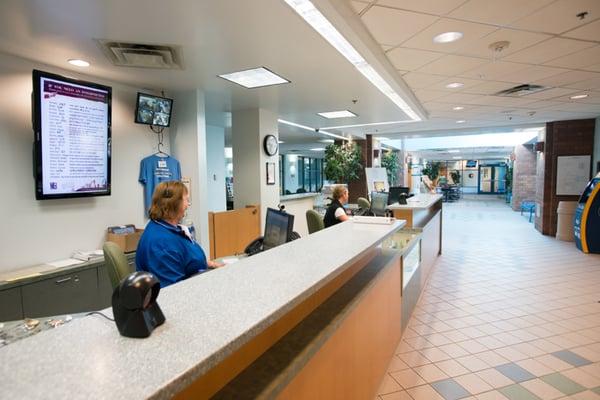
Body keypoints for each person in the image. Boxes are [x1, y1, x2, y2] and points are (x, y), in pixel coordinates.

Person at [136, 181, 223, 288]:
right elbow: (174, 292)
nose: (188, 205)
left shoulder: (167, 227)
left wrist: (209, 264)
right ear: (174, 204)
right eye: (186, 200)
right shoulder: (161, 244)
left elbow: (185, 258)